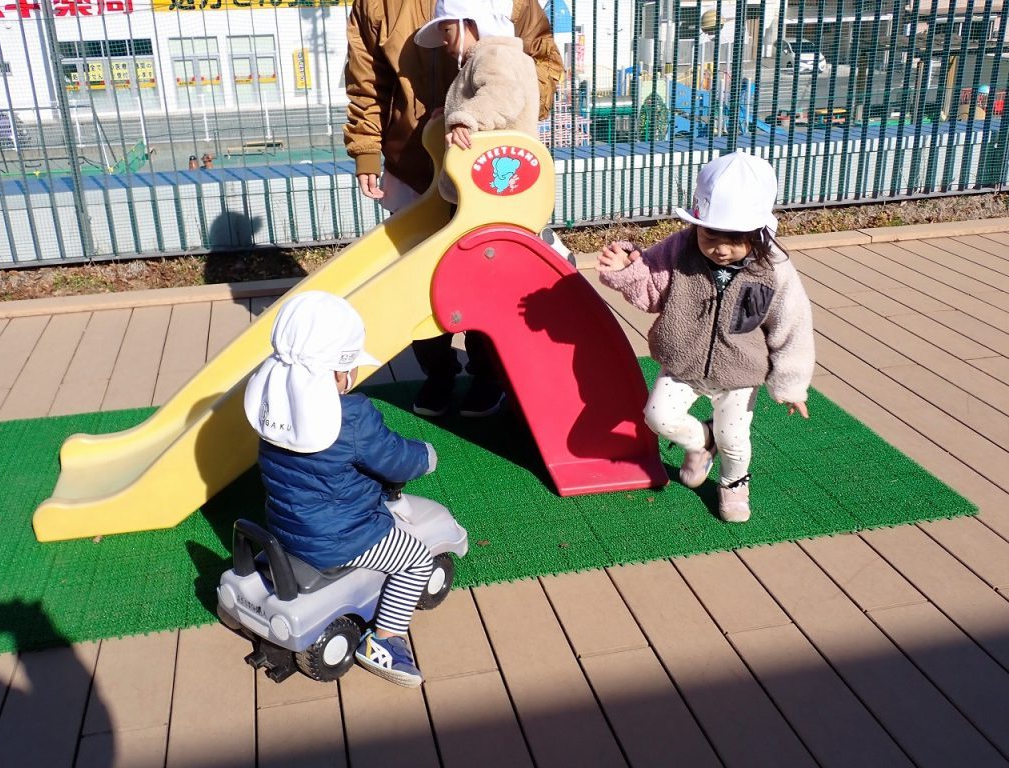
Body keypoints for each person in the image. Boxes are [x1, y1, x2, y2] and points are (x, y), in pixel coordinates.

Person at [345, 0, 563, 419]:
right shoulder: (377, 4)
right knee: (418, 275)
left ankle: (489, 372)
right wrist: (367, 148)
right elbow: (366, 78)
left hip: (485, 172)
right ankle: (438, 371)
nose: (445, 43)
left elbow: (538, 61)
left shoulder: (503, 14)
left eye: (448, 33)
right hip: (415, 162)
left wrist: (500, 120)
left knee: (488, 271)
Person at [596, 152, 815, 523]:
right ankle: (702, 442)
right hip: (684, 361)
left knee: (735, 440)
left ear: (758, 231)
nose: (721, 248)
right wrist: (628, 271)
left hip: (739, 372)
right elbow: (651, 293)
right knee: (658, 417)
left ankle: (733, 484)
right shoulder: (680, 250)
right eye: (710, 234)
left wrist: (792, 384)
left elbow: (791, 324)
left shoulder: (773, 267)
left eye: (736, 239)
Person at [243, 291, 439, 687]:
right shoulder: (351, 417)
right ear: (338, 372)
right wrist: (425, 456)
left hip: (285, 526)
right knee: (416, 558)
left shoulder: (273, 404)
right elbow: (393, 458)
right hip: (342, 538)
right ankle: (384, 640)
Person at [414, 0, 539, 202]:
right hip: (500, 183)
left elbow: (502, 95)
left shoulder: (494, 55)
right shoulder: (498, 55)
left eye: (447, 30)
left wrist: (465, 118)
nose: (444, 41)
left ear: (472, 24)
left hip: (493, 186)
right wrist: (450, 111)